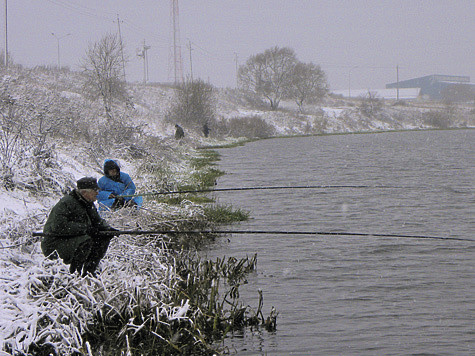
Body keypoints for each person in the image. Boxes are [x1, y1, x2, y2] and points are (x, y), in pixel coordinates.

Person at [41, 177, 118, 276]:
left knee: (103, 238)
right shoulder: (66, 203)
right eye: (95, 190)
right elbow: (59, 226)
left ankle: (89, 273)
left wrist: (108, 229)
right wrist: (86, 229)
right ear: (85, 192)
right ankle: (75, 274)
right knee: (86, 241)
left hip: (72, 238)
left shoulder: (88, 203)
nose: (97, 193)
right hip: (55, 243)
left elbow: (97, 222)